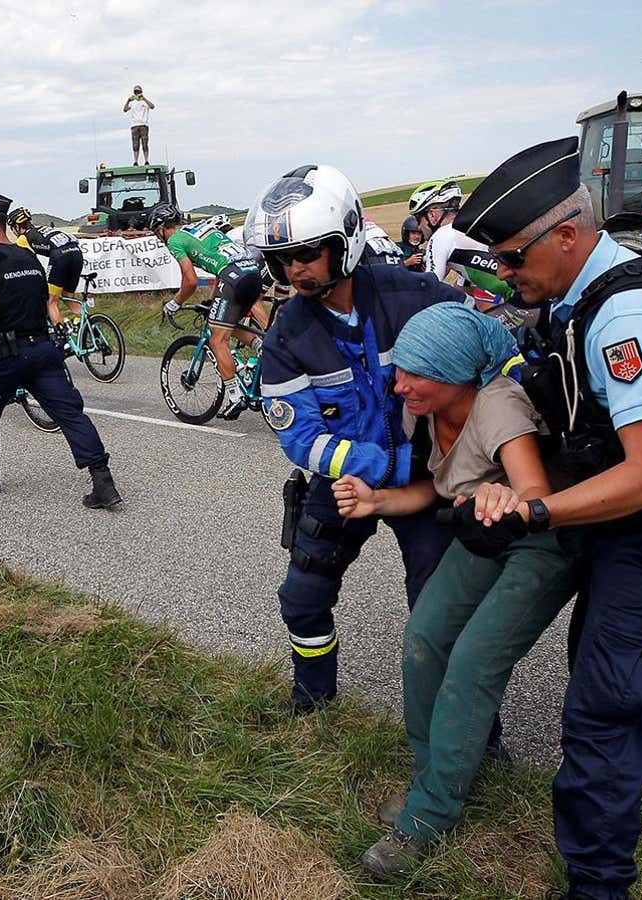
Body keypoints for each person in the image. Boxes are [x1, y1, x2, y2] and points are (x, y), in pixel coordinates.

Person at [454, 136, 642, 900]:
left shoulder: (630, 318)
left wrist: (536, 510)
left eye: (513, 258)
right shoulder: (592, 290)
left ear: (567, 234)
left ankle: (597, 882)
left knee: (598, 711)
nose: (507, 274)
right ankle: (639, 789)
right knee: (605, 671)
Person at [337, 303, 577, 880]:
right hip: (483, 534)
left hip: (541, 543)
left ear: (451, 374)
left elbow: (535, 494)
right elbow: (437, 488)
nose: (399, 384)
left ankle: (431, 815)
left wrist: (507, 499)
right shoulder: (424, 408)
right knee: (424, 639)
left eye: (413, 374)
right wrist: (377, 502)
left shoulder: (497, 404)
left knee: (472, 662)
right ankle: (433, 778)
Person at [243, 163, 458, 714]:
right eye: (283, 259)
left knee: (440, 610)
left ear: (346, 241)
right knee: (302, 597)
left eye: (309, 253)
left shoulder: (416, 296)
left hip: (427, 482)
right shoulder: (286, 334)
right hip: (342, 483)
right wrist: (372, 467)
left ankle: (475, 731)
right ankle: (313, 699)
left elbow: (481, 357)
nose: (295, 270)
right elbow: (299, 437)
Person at [0, 191, 122, 510]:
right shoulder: (29, 259)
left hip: (10, 356)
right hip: (43, 350)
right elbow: (43, 302)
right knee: (69, 413)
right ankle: (103, 482)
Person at [152, 203, 268, 419]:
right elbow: (221, 263)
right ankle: (263, 346)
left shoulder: (175, 239)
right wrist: (214, 298)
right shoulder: (200, 227)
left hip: (232, 278)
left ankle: (235, 397)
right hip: (251, 271)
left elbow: (190, 280)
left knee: (216, 340)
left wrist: (175, 303)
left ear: (160, 228)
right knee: (226, 324)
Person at [410, 180, 515, 316]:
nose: (418, 226)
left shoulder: (442, 236)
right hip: (527, 294)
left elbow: (429, 287)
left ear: (432, 215)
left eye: (418, 219)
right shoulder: (467, 228)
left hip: (520, 299)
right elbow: (463, 285)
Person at [7, 206, 86, 339]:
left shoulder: (23, 238)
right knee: (68, 296)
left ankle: (64, 338)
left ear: (15, 226)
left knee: (51, 302)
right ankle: (90, 325)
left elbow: (26, 262)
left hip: (61, 256)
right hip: (76, 252)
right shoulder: (42, 228)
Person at [124, 85, 155, 165]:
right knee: (135, 144)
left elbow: (152, 106)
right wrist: (128, 100)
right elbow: (125, 109)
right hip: (134, 125)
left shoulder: (145, 102)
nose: (137, 93)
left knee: (145, 143)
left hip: (143, 124)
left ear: (141, 92)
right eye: (136, 92)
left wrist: (143, 98)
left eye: (138, 92)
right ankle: (135, 161)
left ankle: (146, 160)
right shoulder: (132, 103)